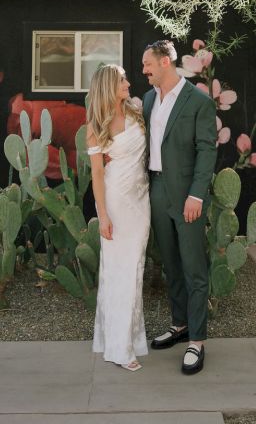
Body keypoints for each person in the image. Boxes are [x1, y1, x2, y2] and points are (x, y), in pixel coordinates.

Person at [142, 40, 217, 375]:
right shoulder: (147, 99)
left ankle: (197, 340)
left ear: (165, 63)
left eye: (148, 64)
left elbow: (207, 150)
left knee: (193, 266)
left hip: (188, 194)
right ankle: (180, 324)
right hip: (157, 189)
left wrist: (197, 195)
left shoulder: (199, 100)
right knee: (170, 261)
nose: (143, 70)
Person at [87, 64, 150, 372]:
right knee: (119, 272)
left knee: (135, 269)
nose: (128, 83)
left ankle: (131, 340)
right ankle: (119, 347)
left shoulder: (136, 109)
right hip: (116, 203)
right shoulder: (96, 125)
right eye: (122, 79)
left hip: (142, 201)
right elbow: (97, 174)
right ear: (109, 86)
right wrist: (103, 215)